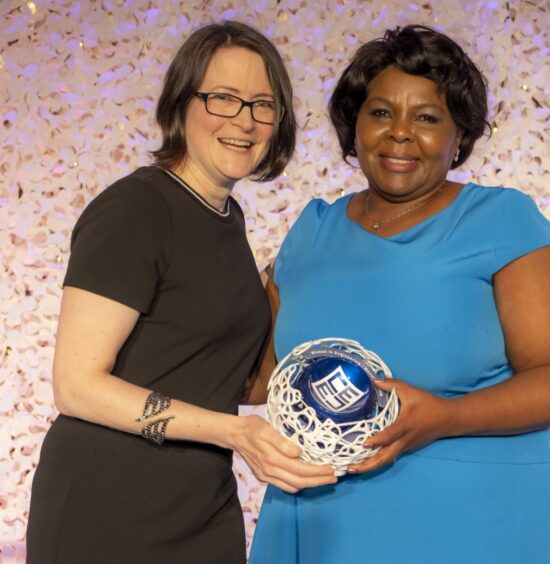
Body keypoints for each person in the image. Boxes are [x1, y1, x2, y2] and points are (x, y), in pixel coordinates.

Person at [248, 25, 550, 563]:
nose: (400, 134)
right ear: (355, 124)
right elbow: (262, 376)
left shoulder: (499, 219)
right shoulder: (311, 232)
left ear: (460, 135)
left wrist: (444, 416)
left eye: (428, 118)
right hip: (328, 523)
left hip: (485, 523)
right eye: (382, 112)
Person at [26, 21, 336, 564]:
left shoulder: (226, 220)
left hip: (201, 503)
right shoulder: (137, 209)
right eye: (224, 98)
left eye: (263, 104)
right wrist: (235, 434)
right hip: (109, 505)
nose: (245, 121)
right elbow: (76, 386)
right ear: (180, 105)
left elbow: (231, 381)